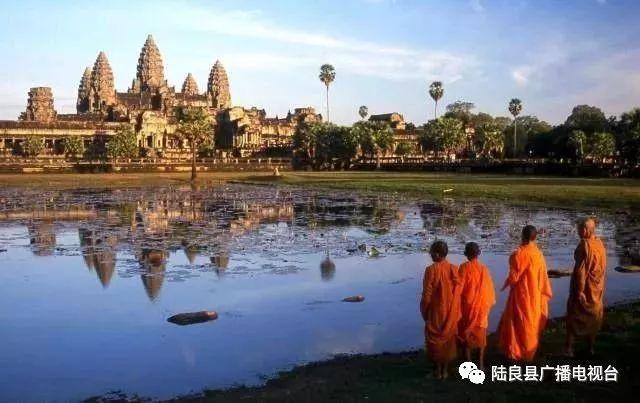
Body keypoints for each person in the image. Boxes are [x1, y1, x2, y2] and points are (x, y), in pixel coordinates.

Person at [497, 225, 552, 362]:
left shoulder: (518, 254)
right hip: (535, 295)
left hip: (521, 296)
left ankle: (516, 353)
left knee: (518, 323)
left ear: (522, 236)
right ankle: (528, 353)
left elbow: (513, 278)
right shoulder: (539, 254)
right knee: (531, 323)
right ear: (535, 237)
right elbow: (542, 277)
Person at [565, 217, 607, 357]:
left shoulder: (585, 245)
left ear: (584, 230)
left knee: (574, 315)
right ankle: (591, 348)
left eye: (578, 229)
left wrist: (580, 291)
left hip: (585, 287)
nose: (577, 232)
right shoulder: (599, 243)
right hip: (597, 287)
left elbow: (581, 271)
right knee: (594, 316)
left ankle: (569, 349)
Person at [420, 240, 461, 379]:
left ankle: (437, 371)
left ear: (437, 254)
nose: (430, 254)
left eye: (431, 252)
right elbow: (458, 292)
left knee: (435, 341)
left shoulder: (431, 270)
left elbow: (427, 295)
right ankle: (445, 370)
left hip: (436, 311)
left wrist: (425, 311)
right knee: (448, 340)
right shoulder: (454, 269)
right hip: (451, 310)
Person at [458, 242, 495, 370]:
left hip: (468, 307)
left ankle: (469, 365)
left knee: (467, 333)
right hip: (482, 307)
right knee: (481, 335)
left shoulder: (463, 268)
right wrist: (486, 304)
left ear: (466, 254)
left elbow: (459, 289)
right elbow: (489, 290)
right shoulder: (484, 269)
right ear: (478, 254)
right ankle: (481, 364)